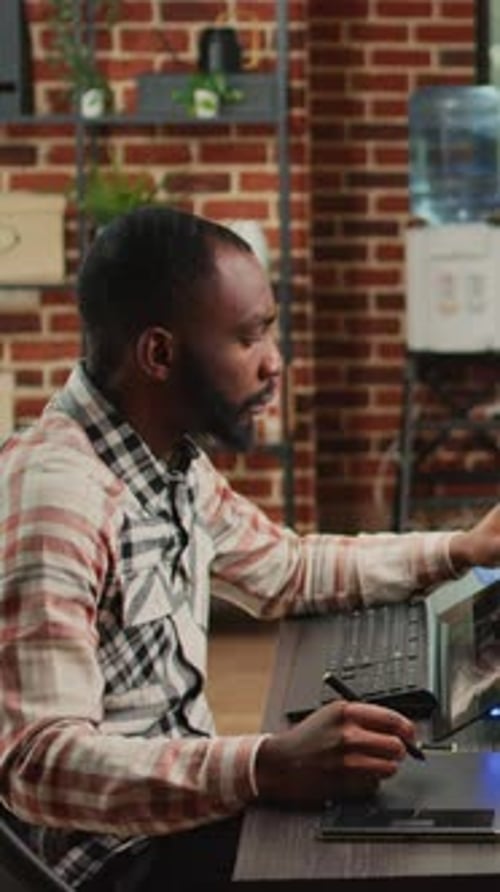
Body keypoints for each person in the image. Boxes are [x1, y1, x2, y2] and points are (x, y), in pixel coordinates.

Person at [1, 206, 500, 891]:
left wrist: (463, 548)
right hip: (120, 863)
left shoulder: (164, 457)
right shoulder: (57, 497)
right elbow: (38, 766)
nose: (274, 363)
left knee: (429, 820)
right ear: (159, 355)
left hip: (181, 820)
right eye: (248, 337)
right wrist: (263, 765)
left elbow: (285, 568)